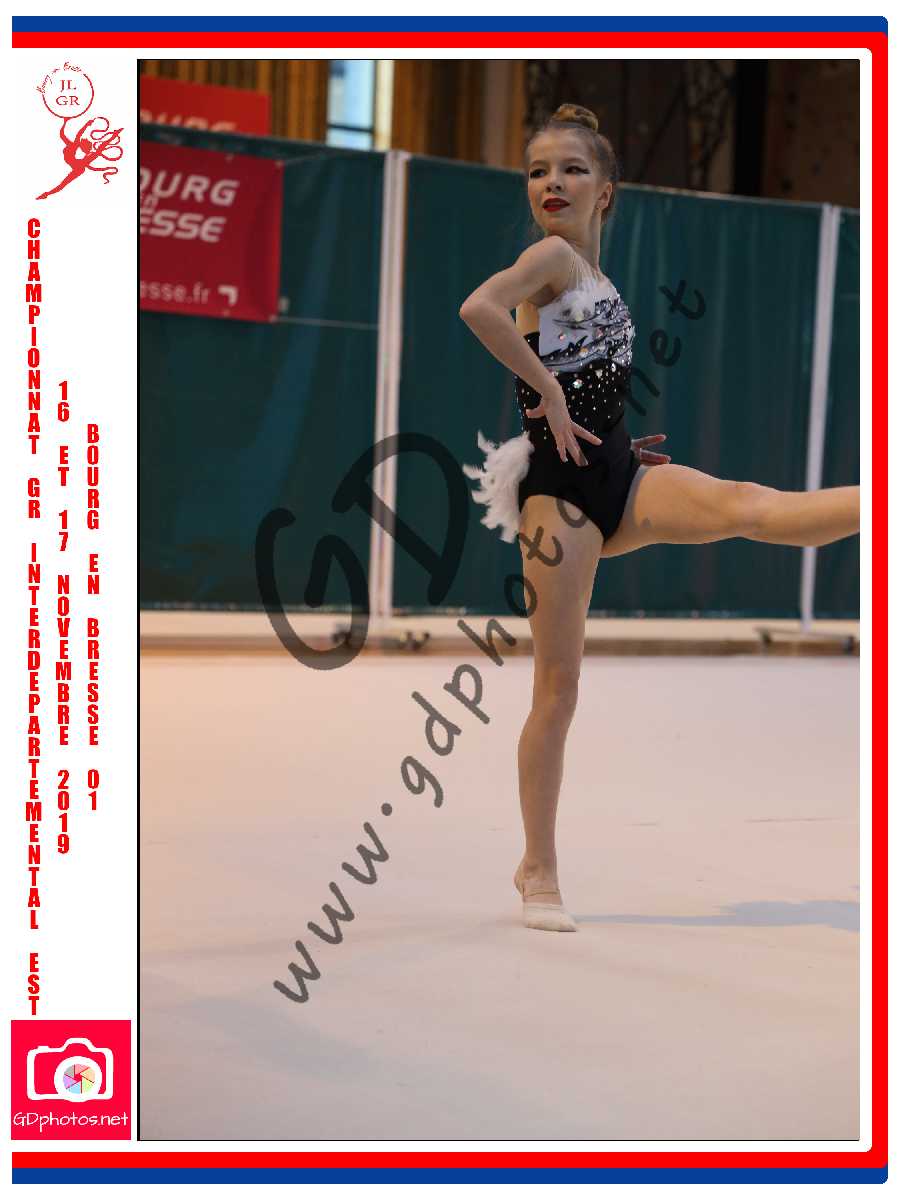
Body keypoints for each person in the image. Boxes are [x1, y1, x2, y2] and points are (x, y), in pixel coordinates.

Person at [459, 102, 860, 934]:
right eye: (538, 171)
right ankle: (538, 866)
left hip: (617, 473)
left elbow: (590, 375)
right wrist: (548, 389)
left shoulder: (598, 278)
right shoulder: (550, 257)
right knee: (558, 688)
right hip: (560, 497)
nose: (552, 182)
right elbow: (481, 309)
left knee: (750, 506)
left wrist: (609, 432)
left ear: (606, 190)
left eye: (572, 169)